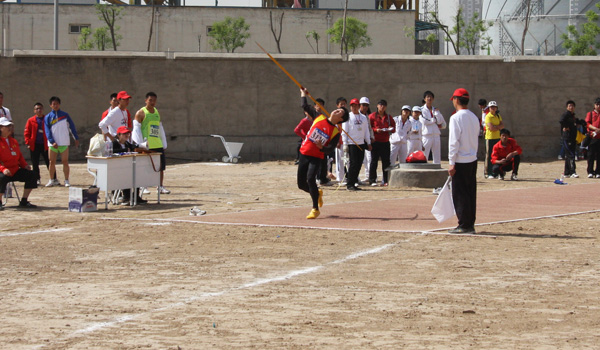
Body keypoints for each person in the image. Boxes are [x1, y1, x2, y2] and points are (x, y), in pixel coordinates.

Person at [297, 107, 349, 219]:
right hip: (304, 154)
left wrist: (321, 147)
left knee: (311, 179)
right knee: (301, 184)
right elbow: (305, 106)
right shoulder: (319, 117)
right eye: (338, 109)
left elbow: (330, 149)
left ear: (340, 119)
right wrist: (303, 93)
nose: (337, 110)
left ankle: (315, 209)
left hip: (316, 157)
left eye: (340, 112)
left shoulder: (335, 132)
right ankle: (317, 193)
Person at [448, 88, 479, 234]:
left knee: (460, 194)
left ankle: (464, 224)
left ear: (456, 99)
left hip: (461, 160)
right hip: (472, 159)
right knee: (470, 193)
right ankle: (470, 222)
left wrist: (451, 162)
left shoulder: (456, 118)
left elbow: (454, 142)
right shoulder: (473, 116)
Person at [133, 91, 170, 195]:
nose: (152, 102)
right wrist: (140, 144)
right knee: (145, 166)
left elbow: (160, 127)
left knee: (161, 167)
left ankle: (160, 186)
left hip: (157, 143)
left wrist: (164, 142)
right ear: (146, 100)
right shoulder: (141, 112)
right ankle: (143, 186)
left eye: (154, 101)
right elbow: (136, 130)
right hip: (147, 145)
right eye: (150, 100)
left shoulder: (156, 112)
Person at [0, 117, 38, 209]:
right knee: (1, 178)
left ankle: (24, 201)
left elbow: (19, 156)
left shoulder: (14, 141)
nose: (9, 128)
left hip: (14, 170)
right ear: (0, 128)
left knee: (32, 175)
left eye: (10, 126)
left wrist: (25, 165)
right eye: (6, 126)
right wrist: (3, 169)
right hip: (3, 171)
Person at [44, 96, 80, 187]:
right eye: (53, 104)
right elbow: (47, 131)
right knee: (51, 162)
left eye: (57, 104)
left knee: (65, 161)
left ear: (59, 104)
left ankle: (66, 180)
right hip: (53, 144)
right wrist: (52, 141)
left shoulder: (65, 115)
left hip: (64, 142)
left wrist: (76, 138)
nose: (55, 105)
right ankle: (52, 180)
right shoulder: (48, 117)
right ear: (50, 105)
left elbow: (72, 126)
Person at [300, 89, 331, 185]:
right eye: (317, 104)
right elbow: (304, 106)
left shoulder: (325, 117)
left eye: (321, 104)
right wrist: (303, 94)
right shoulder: (314, 115)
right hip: (313, 142)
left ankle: (323, 178)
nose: (319, 106)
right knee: (314, 161)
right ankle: (314, 178)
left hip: (323, 141)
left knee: (324, 160)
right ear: (315, 106)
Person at [112, 126, 147, 205]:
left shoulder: (127, 143)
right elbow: (113, 151)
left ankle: (136, 196)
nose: (127, 135)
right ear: (119, 135)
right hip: (117, 168)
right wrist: (124, 150)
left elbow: (133, 147)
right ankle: (126, 197)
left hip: (127, 166)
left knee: (137, 176)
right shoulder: (114, 143)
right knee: (126, 177)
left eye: (128, 134)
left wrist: (142, 146)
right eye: (124, 134)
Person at [342, 98, 372, 191]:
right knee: (353, 164)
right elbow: (344, 131)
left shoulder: (363, 117)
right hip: (352, 143)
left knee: (359, 163)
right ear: (350, 107)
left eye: (356, 106)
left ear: (359, 107)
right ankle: (349, 184)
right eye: (352, 106)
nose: (354, 108)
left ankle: (354, 182)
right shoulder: (348, 117)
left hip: (361, 143)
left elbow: (366, 131)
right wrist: (345, 144)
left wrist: (369, 142)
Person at [23, 102, 55, 185]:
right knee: (35, 163)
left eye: (40, 108)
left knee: (49, 162)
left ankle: (54, 178)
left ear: (43, 109)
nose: (39, 110)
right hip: (34, 145)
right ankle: (37, 179)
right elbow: (27, 133)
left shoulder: (47, 119)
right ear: (34, 110)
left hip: (45, 145)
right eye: (37, 109)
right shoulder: (30, 120)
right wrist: (28, 142)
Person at [368, 99, 395, 186]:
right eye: (380, 105)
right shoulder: (372, 116)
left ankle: (386, 180)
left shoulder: (388, 117)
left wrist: (390, 128)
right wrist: (376, 130)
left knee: (386, 161)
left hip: (385, 141)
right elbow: (368, 128)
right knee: (374, 161)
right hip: (375, 141)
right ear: (377, 106)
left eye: (384, 105)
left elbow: (394, 128)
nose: (382, 107)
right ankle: (372, 180)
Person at [420, 91, 446, 164]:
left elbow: (441, 122)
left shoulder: (436, 109)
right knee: (424, 154)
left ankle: (437, 169)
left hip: (436, 134)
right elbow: (424, 121)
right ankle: (423, 169)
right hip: (426, 135)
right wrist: (434, 120)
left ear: (433, 99)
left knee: (437, 154)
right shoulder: (421, 110)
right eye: (427, 97)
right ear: (424, 99)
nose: (429, 98)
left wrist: (437, 114)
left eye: (431, 97)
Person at [484, 101, 504, 179]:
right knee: (489, 155)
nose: (493, 108)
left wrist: (496, 127)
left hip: (497, 137)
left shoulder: (498, 116)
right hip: (490, 138)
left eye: (494, 107)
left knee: (497, 155)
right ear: (489, 108)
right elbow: (491, 128)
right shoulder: (488, 116)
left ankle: (496, 172)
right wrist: (497, 127)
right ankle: (488, 172)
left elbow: (502, 125)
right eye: (491, 107)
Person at [560, 100, 579, 178]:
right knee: (571, 155)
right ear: (567, 107)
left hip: (572, 137)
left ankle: (567, 172)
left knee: (568, 155)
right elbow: (561, 121)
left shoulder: (573, 116)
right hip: (567, 138)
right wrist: (566, 127)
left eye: (572, 106)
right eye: (569, 106)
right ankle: (572, 172)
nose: (571, 107)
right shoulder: (566, 115)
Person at [359, 97, 374, 182]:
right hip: (358, 140)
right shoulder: (356, 115)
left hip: (367, 139)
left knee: (369, 158)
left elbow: (369, 128)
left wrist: (372, 137)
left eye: (366, 105)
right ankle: (356, 178)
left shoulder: (367, 116)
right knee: (360, 159)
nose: (365, 107)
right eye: (363, 105)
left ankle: (368, 175)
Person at [585, 98, 600, 178]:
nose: (598, 106)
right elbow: (587, 123)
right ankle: (590, 171)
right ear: (594, 105)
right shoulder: (590, 114)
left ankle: (598, 172)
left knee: (599, 156)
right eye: (597, 104)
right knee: (590, 155)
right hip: (592, 137)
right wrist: (595, 129)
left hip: (599, 137)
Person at [333, 97, 347, 183]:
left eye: (344, 104)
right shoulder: (335, 116)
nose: (343, 105)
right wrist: (337, 141)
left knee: (347, 161)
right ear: (337, 105)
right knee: (340, 161)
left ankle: (349, 177)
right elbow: (334, 130)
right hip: (339, 142)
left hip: (347, 142)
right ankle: (340, 178)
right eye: (341, 104)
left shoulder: (347, 116)